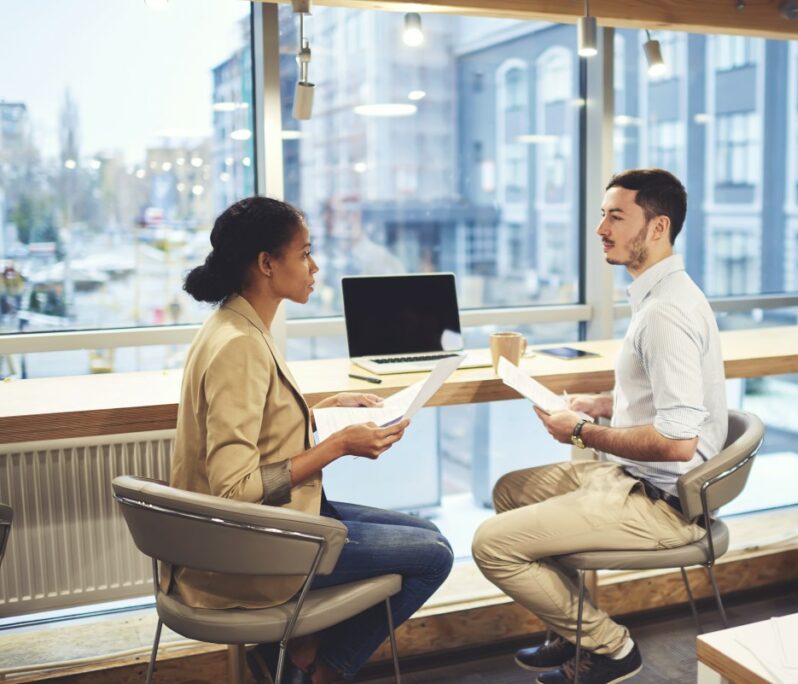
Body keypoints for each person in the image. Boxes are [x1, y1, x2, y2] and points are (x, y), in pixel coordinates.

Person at [173, 196, 453, 683]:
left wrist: (325, 411)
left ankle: (295, 654)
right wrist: (339, 446)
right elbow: (234, 490)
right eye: (304, 253)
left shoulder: (233, 324)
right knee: (435, 556)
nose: (314, 266)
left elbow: (261, 428)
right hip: (256, 549)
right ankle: (321, 670)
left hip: (274, 524)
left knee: (427, 533)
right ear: (267, 263)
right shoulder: (240, 345)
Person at [472, 169, 728, 684]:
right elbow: (666, 399)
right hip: (632, 479)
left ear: (658, 228)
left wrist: (579, 431)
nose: (601, 228)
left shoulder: (665, 314)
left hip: (664, 503)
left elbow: (679, 443)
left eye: (616, 216)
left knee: (490, 544)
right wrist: (604, 403)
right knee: (509, 491)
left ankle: (612, 648)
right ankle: (573, 634)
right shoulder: (660, 296)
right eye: (602, 214)